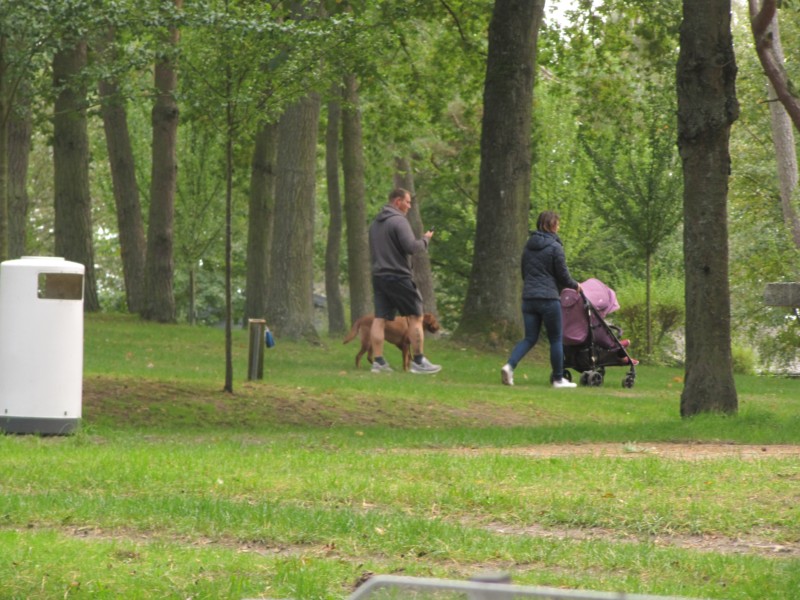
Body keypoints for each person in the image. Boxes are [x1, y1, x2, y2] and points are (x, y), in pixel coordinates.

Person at [501, 210, 580, 388]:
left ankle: (509, 366)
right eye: (557, 224)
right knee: (555, 339)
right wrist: (576, 285)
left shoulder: (528, 246)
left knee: (529, 338)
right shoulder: (555, 247)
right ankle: (558, 379)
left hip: (529, 298)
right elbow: (563, 275)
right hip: (548, 299)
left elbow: (524, 272)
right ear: (551, 225)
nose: (558, 227)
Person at [368, 188, 441, 374]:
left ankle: (378, 362)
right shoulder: (399, 221)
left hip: (379, 276)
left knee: (380, 318)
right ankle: (419, 361)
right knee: (416, 316)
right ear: (397, 201)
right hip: (399, 277)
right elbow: (411, 247)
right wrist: (426, 239)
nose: (409, 206)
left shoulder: (375, 224)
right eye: (407, 202)